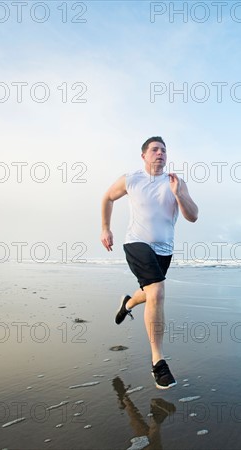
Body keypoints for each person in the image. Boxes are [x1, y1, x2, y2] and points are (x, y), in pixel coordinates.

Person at [100, 136, 198, 389]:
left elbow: (193, 216)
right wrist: (105, 229)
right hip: (136, 243)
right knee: (157, 291)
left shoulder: (175, 182)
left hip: (164, 249)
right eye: (154, 149)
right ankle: (158, 362)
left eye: (164, 150)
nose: (160, 153)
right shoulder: (131, 179)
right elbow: (108, 197)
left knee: (149, 294)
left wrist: (178, 195)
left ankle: (128, 302)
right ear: (143, 155)